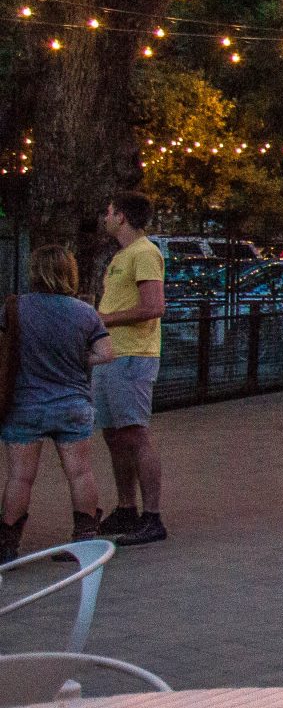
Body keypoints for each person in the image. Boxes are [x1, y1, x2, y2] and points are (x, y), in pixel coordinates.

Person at [2, 246, 114, 562]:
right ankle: (85, 540)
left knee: (20, 477)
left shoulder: (15, 308)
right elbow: (107, 354)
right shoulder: (84, 312)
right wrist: (79, 359)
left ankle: (8, 545)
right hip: (73, 403)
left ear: (34, 271)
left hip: (25, 405)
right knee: (80, 473)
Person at [93, 193, 168, 545]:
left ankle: (152, 517)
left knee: (135, 434)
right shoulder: (122, 256)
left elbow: (153, 306)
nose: (105, 217)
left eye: (109, 212)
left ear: (121, 216)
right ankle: (126, 507)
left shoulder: (145, 253)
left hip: (133, 355)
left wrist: (104, 318)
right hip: (112, 355)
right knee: (115, 436)